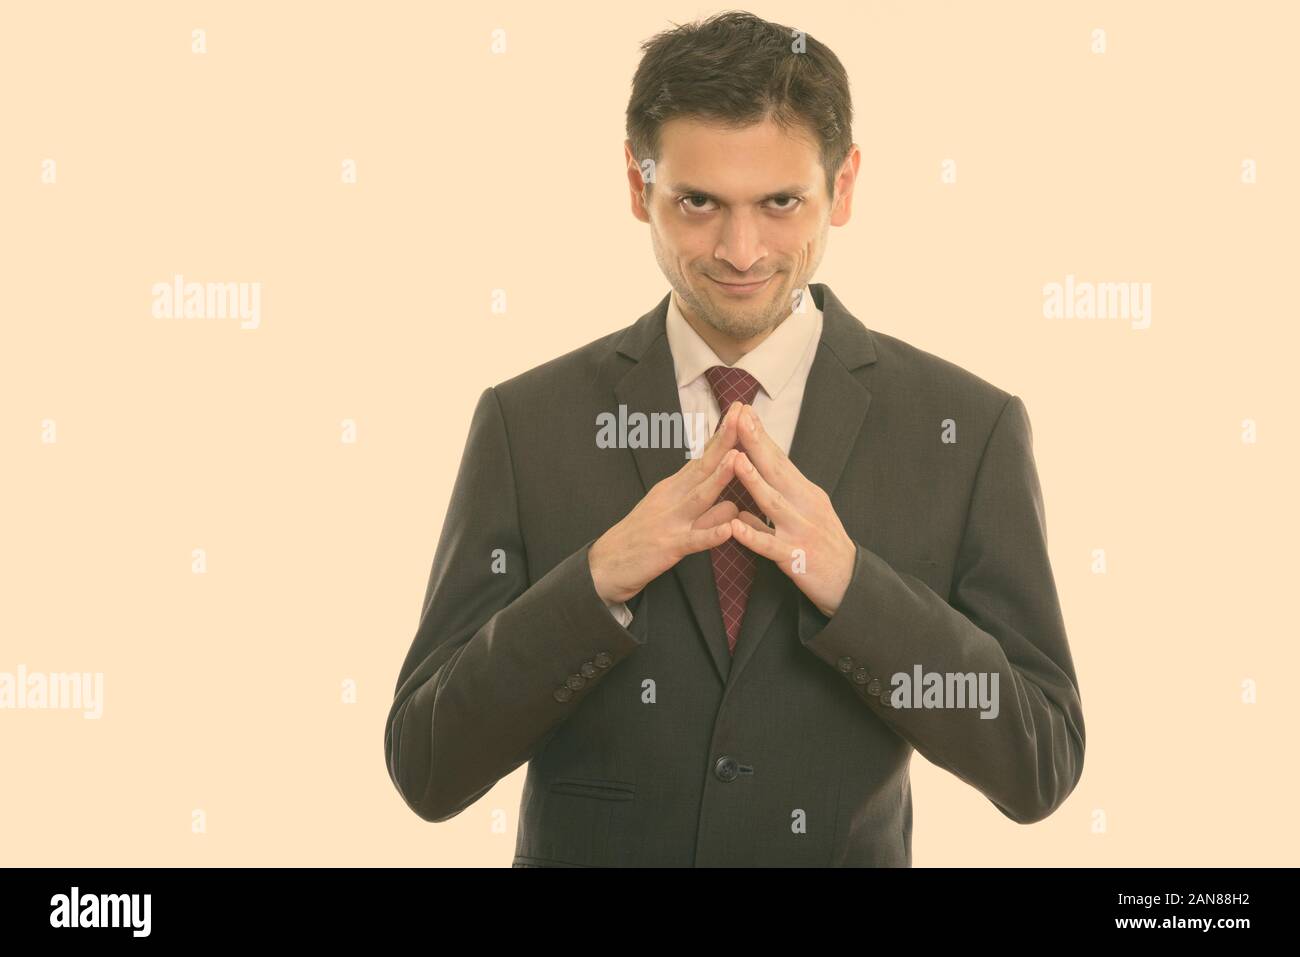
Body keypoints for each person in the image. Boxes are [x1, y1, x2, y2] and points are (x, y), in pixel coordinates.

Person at [384, 10, 1085, 867]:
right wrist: (597, 578)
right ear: (640, 188)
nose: (741, 250)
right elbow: (426, 764)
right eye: (698, 202)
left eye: (781, 202)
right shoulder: (525, 423)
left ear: (846, 184)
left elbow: (1039, 761)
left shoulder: (967, 429)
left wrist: (856, 588)